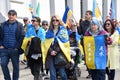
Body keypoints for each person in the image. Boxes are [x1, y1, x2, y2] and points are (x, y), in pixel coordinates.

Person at [42, 15, 71, 80]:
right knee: (52, 74)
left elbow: (64, 43)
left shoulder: (63, 31)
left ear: (59, 21)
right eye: (53, 20)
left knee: (62, 73)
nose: (55, 21)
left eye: (57, 20)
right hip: (51, 54)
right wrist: (50, 51)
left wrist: (56, 51)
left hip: (60, 53)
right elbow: (46, 44)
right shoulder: (49, 31)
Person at [0, 10, 25, 80]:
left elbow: (22, 37)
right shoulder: (2, 24)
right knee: (3, 64)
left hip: (14, 50)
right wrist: (0, 45)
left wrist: (17, 47)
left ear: (16, 16)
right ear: (8, 15)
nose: (11, 16)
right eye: (10, 14)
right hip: (4, 49)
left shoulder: (19, 25)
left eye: (13, 15)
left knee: (16, 67)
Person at [77, 10, 93, 78]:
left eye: (87, 14)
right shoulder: (82, 23)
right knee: (87, 58)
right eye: (85, 14)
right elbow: (80, 32)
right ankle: (90, 73)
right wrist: (78, 26)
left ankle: (93, 72)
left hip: (92, 43)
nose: (86, 15)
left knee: (92, 58)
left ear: (90, 16)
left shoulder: (93, 23)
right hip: (85, 43)